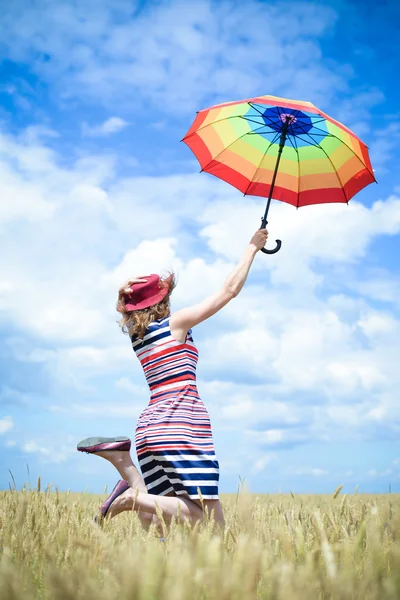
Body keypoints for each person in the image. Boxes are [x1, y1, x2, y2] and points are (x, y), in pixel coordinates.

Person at [77, 227, 269, 531]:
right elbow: (228, 291)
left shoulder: (137, 335)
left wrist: (123, 291)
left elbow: (123, 306)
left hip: (150, 427)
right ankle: (129, 499)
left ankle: (126, 469)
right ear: (161, 301)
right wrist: (252, 248)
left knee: (162, 526)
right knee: (211, 525)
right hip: (181, 423)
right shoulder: (174, 325)